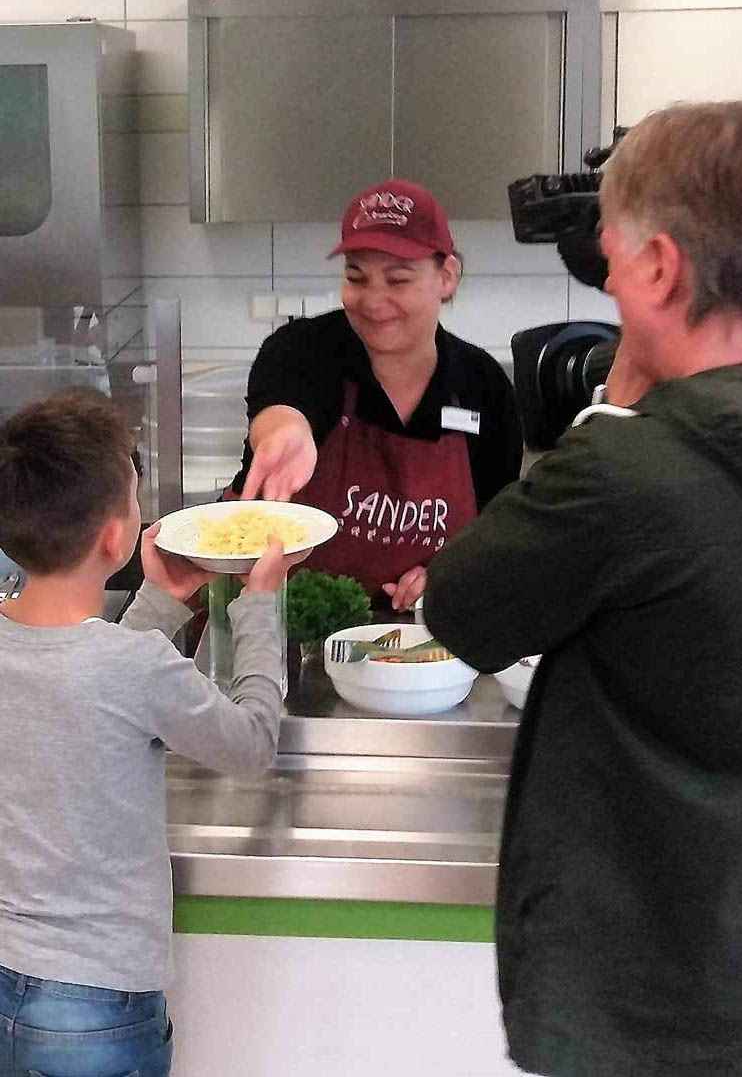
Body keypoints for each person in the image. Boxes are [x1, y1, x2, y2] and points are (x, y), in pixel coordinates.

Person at [424, 102, 742, 1077]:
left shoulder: (622, 472)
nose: (602, 278)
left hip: (645, 999)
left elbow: (462, 607)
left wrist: (613, 408)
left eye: (609, 255)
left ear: (656, 268)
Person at [0, 387, 303, 1077]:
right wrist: (260, 604)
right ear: (115, 536)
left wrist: (162, 598)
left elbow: (87, 682)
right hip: (103, 1005)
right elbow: (253, 741)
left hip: (7, 982)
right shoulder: (134, 668)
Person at [229, 178, 522, 610]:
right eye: (356, 277)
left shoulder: (482, 385)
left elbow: (496, 524)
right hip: (276, 628)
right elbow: (285, 403)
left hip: (416, 647)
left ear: (447, 277)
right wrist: (285, 433)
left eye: (398, 280)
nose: (372, 299)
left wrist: (452, 570)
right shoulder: (304, 348)